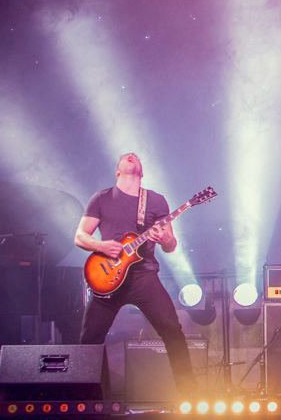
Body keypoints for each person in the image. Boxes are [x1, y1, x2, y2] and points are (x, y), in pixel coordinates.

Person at [75, 153, 197, 394]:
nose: (131, 156)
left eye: (136, 157)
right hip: (108, 278)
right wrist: (101, 246)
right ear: (117, 171)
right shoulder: (101, 198)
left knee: (173, 332)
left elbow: (170, 246)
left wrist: (164, 238)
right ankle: (92, 401)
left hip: (144, 276)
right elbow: (80, 236)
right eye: (126, 157)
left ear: (141, 172)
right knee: (89, 341)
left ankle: (190, 395)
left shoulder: (156, 201)